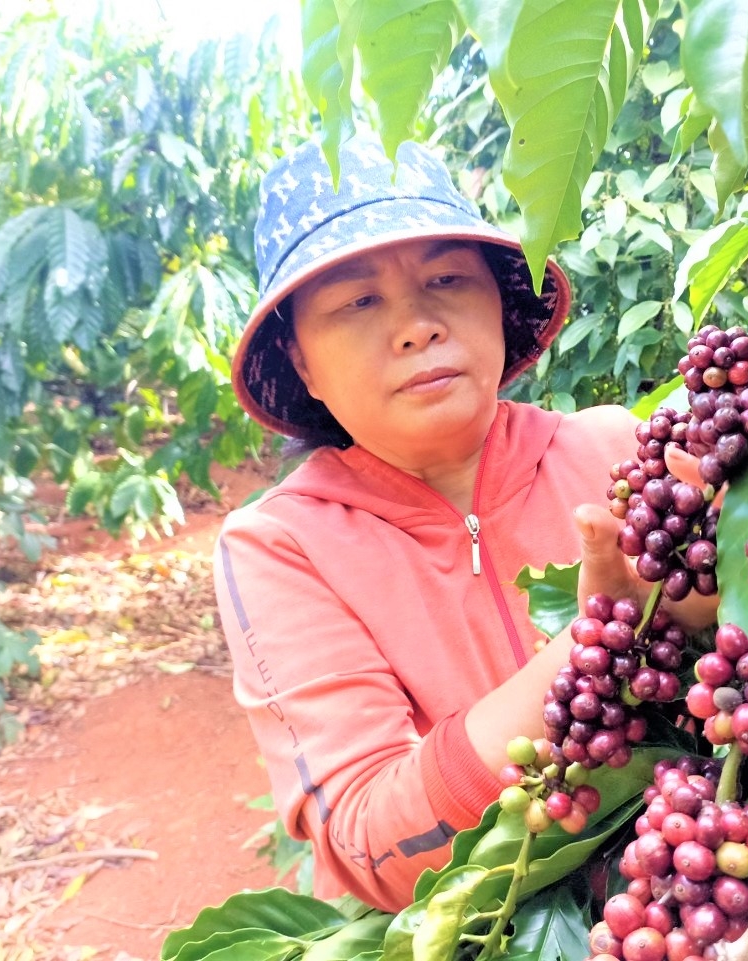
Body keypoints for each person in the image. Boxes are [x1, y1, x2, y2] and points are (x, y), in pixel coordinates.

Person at [214, 135, 714, 914]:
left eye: (447, 277)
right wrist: (603, 637)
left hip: (697, 904)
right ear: (302, 361)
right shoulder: (280, 546)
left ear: (495, 301)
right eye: (358, 300)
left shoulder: (619, 449)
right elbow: (376, 845)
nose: (416, 325)